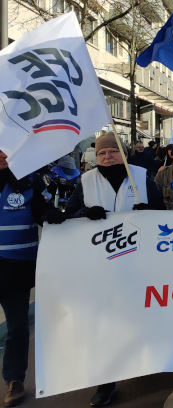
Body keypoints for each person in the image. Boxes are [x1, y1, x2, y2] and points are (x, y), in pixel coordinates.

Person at [62, 132, 165, 406]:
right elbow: (69, 216)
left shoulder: (142, 176)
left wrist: (151, 212)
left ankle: (146, 361)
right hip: (101, 268)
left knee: (140, 318)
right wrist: (84, 215)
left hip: (140, 265)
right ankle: (106, 383)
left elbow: (163, 212)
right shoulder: (86, 181)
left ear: (124, 153)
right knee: (105, 325)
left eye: (112, 152)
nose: (107, 158)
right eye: (102, 154)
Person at [0, 150, 54, 407]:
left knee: (17, 328)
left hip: (16, 270)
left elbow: (45, 213)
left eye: (5, 149)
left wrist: (53, 217)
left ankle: (15, 381)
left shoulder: (30, 180)